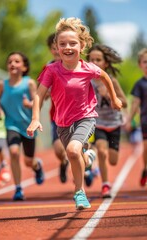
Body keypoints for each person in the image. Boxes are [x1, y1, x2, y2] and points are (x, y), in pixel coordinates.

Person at [27, 17, 122, 210]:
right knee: (76, 155)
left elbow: (105, 76)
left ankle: (79, 192)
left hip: (85, 118)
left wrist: (114, 98)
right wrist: (35, 118)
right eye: (62, 44)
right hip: (62, 122)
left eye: (73, 43)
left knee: (71, 150)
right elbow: (39, 94)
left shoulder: (87, 68)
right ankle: (90, 158)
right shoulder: (52, 70)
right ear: (56, 47)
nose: (67, 47)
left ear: (82, 45)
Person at [0, 52, 44, 201]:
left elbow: (37, 102)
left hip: (28, 126)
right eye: (10, 62)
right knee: (14, 152)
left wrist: (29, 104)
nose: (12, 64)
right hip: (11, 125)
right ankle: (18, 189)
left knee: (29, 161)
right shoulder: (2, 85)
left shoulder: (29, 83)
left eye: (17, 61)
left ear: (24, 67)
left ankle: (37, 166)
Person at [86, 44, 127, 198]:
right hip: (98, 123)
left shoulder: (112, 81)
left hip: (114, 124)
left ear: (105, 63)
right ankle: (105, 185)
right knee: (101, 152)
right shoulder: (87, 82)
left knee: (113, 161)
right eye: (92, 59)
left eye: (99, 59)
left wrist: (110, 95)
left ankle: (96, 170)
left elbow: (125, 102)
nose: (95, 62)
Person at [45, 33, 69, 183]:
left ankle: (85, 172)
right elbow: (42, 91)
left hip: (75, 114)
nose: (56, 50)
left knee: (77, 148)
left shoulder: (72, 64)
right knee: (58, 150)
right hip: (56, 116)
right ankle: (64, 162)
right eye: (53, 48)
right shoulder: (47, 68)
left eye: (58, 47)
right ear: (50, 50)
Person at [125, 48, 147, 187]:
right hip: (146, 121)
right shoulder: (139, 84)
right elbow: (135, 104)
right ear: (140, 65)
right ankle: (146, 168)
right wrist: (129, 119)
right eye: (145, 62)